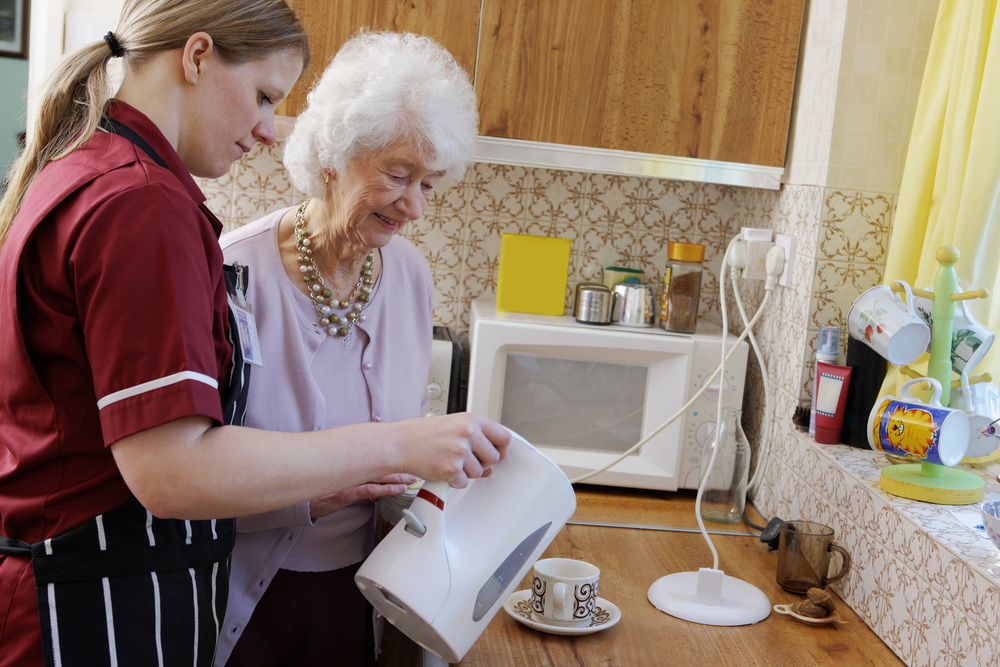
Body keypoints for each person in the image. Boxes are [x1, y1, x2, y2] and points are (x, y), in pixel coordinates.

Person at [0, 4, 509, 667]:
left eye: (430, 184)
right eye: (265, 95)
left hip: (95, 593)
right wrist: (397, 443)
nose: (269, 129)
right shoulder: (143, 205)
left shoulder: (95, 170)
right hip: (93, 602)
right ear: (198, 56)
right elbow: (172, 470)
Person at [212, 31, 480, 667]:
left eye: (430, 184)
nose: (414, 205)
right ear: (333, 155)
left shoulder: (410, 276)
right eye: (397, 175)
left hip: (362, 596)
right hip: (244, 602)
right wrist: (313, 494)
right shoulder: (231, 276)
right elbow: (188, 490)